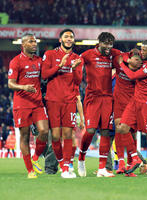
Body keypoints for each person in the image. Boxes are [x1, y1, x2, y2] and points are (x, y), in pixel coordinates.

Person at [77, 32, 121, 178]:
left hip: (108, 98)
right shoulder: (88, 54)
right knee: (90, 130)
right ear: (99, 42)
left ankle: (102, 168)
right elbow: (77, 60)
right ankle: (81, 158)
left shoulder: (113, 54)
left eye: (111, 44)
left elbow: (126, 56)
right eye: (106, 43)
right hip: (93, 98)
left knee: (106, 132)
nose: (108, 47)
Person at [41, 29, 83, 178]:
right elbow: (44, 75)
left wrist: (75, 68)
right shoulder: (50, 54)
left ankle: (66, 167)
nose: (69, 39)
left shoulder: (77, 58)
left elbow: (78, 81)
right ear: (60, 39)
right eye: (66, 36)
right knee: (56, 137)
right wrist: (60, 65)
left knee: (68, 134)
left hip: (69, 100)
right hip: (53, 100)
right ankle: (62, 163)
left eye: (71, 37)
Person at [117, 39, 147, 177]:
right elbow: (125, 55)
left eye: (144, 50)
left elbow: (133, 75)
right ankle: (135, 157)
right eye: (141, 49)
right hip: (135, 101)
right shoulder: (144, 58)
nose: (141, 52)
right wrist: (127, 59)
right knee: (122, 128)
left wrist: (122, 65)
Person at [8, 34, 49, 178]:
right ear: (23, 45)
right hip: (22, 104)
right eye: (31, 41)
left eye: (35, 41)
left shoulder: (39, 61)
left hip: (37, 103)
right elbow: (10, 83)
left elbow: (46, 74)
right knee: (24, 137)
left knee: (44, 131)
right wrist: (24, 87)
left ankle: (36, 158)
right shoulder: (16, 61)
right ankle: (30, 170)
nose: (34, 44)